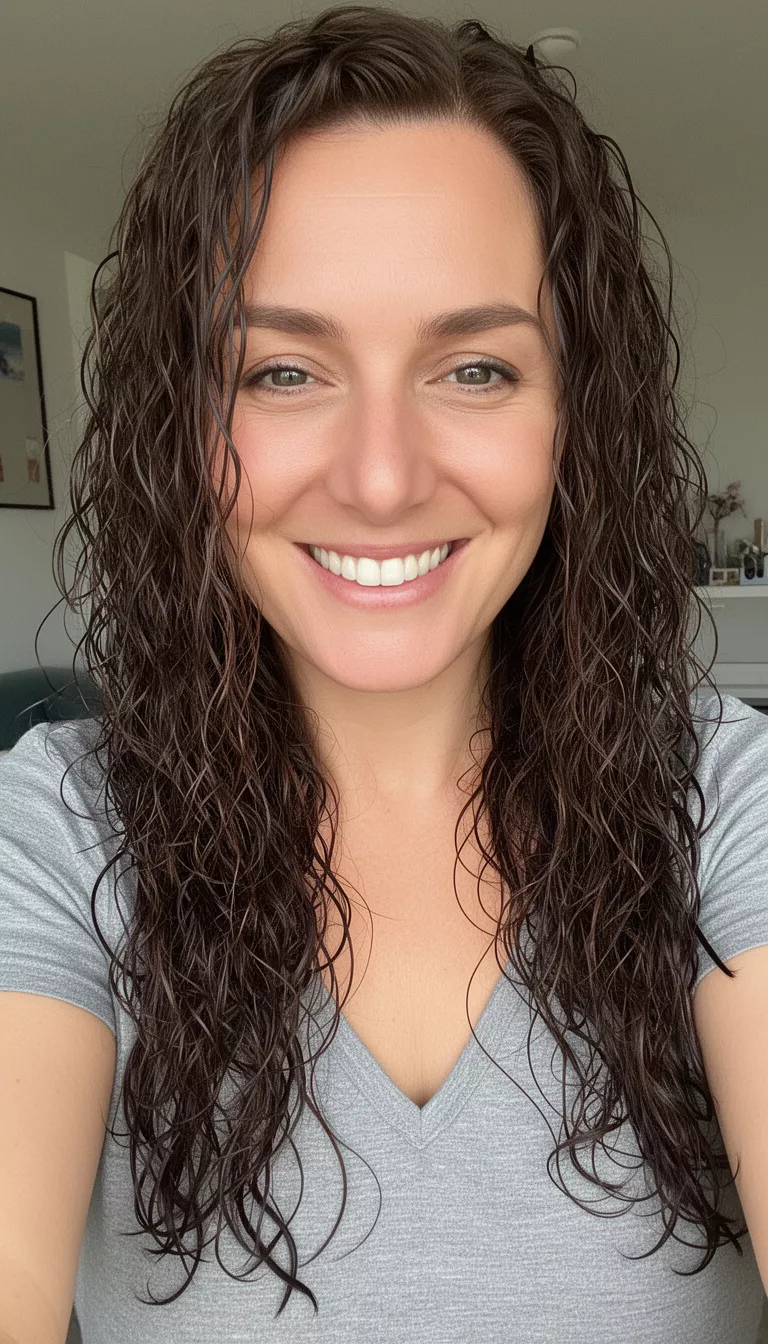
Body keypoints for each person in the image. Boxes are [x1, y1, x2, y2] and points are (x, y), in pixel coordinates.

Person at [1, 6, 768, 1342]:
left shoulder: (724, 797)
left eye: (475, 368)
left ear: (573, 418)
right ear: (183, 425)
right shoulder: (61, 832)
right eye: (284, 370)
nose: (379, 477)